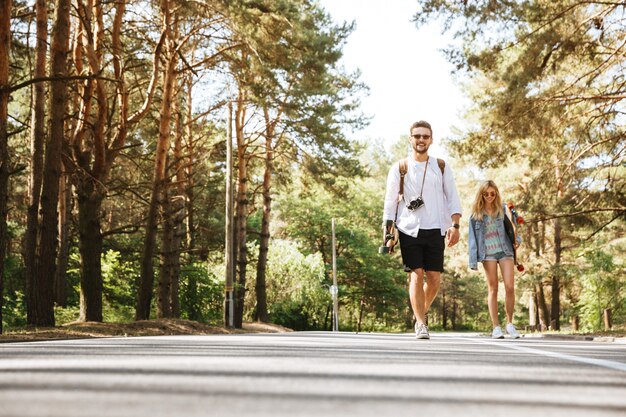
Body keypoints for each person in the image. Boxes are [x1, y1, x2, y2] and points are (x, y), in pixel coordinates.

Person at [382, 120, 462, 339]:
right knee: (416, 275)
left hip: (436, 227)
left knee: (434, 279)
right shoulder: (399, 168)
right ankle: (420, 323)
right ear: (411, 139)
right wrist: (387, 233)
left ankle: (420, 311)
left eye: (425, 136)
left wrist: (455, 225)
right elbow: (390, 203)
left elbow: (452, 196)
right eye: (417, 136)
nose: (421, 140)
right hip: (409, 228)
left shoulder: (441, 166)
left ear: (431, 140)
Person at [468, 180, 521, 339]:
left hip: (505, 250)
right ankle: (496, 327)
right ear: (481, 195)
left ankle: (510, 324)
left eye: (493, 193)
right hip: (488, 254)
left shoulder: (503, 209)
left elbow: (512, 227)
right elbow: (472, 239)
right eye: (486, 194)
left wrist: (517, 239)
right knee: (493, 289)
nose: (490, 196)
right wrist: (473, 261)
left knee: (510, 287)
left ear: (496, 193)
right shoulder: (476, 215)